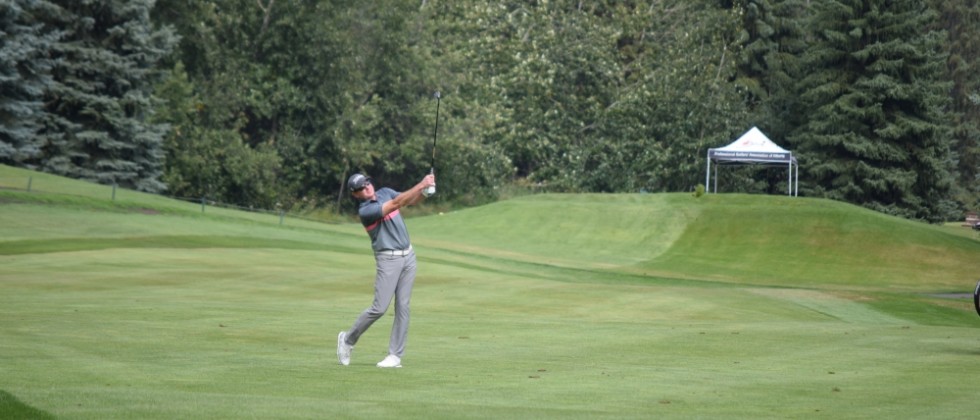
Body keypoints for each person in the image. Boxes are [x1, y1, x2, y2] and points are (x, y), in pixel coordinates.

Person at [337, 172, 436, 368]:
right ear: (356, 194)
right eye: (361, 188)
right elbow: (396, 204)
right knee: (379, 308)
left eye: (367, 183)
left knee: (403, 307)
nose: (367, 187)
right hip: (388, 259)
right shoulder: (366, 211)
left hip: (408, 256)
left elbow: (409, 201)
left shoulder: (385, 192)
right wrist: (421, 183)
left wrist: (425, 192)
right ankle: (348, 339)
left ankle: (395, 356)